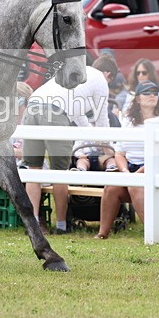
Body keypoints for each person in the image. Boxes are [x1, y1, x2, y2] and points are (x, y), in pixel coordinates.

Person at [23, 66, 109, 234]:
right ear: (108, 74)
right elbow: (102, 118)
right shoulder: (101, 81)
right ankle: (62, 226)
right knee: (60, 173)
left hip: (33, 104)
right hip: (55, 111)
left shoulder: (76, 73)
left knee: (34, 169)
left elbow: (78, 115)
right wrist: (107, 145)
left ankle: (32, 224)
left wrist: (93, 138)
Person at [95, 81, 159, 239]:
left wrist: (138, 174)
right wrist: (126, 172)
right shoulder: (128, 121)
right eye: (147, 93)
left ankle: (153, 233)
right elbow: (119, 153)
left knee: (136, 186)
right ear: (137, 99)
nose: (152, 96)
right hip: (132, 168)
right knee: (111, 188)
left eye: (155, 93)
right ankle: (102, 233)